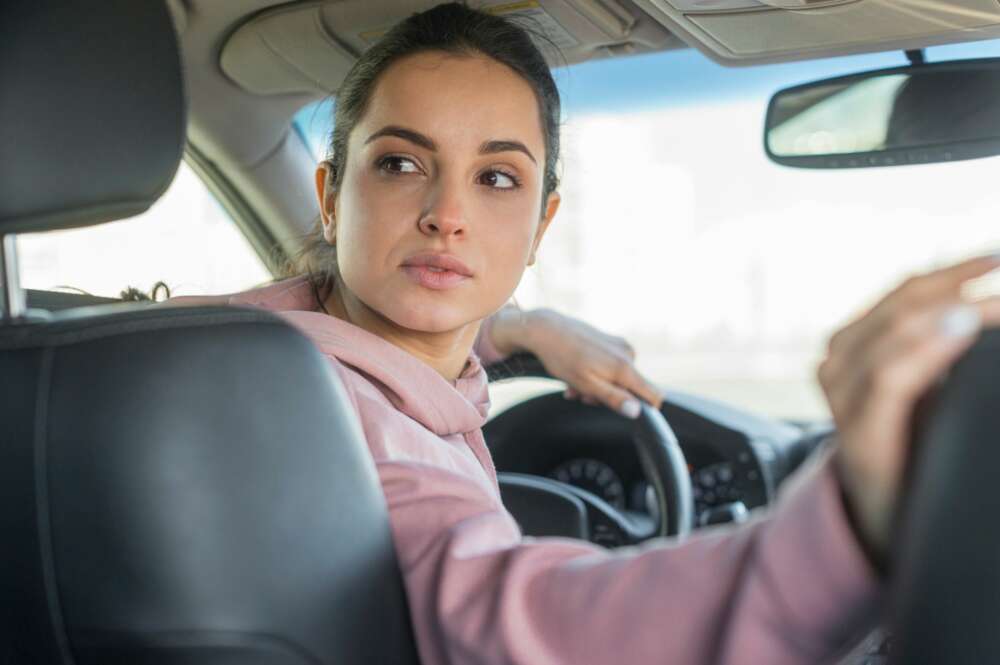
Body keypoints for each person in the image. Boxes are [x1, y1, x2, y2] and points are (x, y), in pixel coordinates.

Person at [170, 4, 1000, 663]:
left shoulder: (198, 353)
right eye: (399, 163)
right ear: (328, 194)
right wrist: (850, 522)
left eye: (497, 178)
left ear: (540, 225)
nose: (447, 216)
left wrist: (516, 328)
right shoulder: (339, 434)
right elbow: (526, 620)